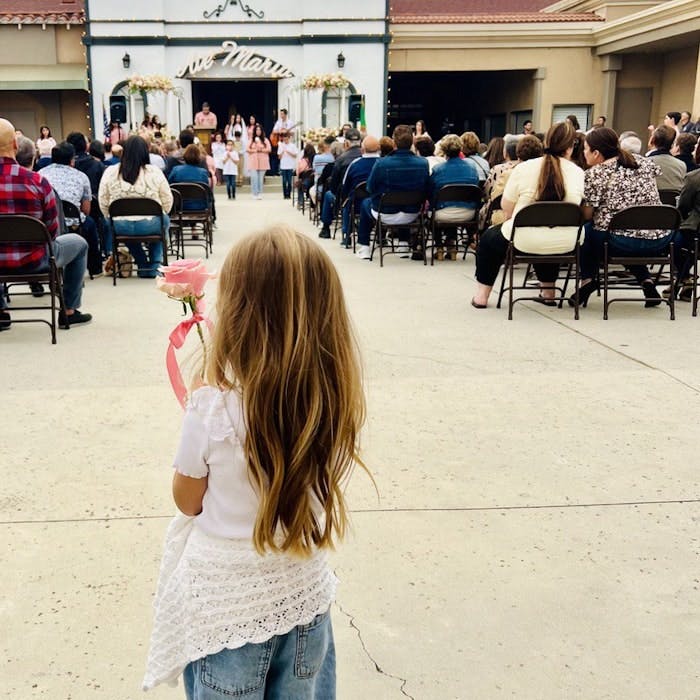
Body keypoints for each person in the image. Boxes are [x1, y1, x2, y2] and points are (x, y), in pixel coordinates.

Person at [143, 225, 367, 697]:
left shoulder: (212, 406)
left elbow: (187, 502)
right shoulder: (332, 399)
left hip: (229, 604)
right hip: (302, 589)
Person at [472, 121, 585, 308]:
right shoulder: (578, 173)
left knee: (488, 241)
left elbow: (506, 206)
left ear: (545, 142)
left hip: (523, 238)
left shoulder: (523, 168)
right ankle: (549, 292)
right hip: (567, 241)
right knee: (549, 234)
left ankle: (482, 297)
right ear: (571, 146)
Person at [0, 118, 91, 328]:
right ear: (15, 144)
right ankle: (68, 309)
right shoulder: (37, 182)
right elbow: (52, 230)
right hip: (35, 260)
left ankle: (2, 311)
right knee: (78, 242)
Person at [574, 126, 678, 307]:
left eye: (585, 149)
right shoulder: (645, 162)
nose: (583, 153)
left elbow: (588, 215)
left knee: (586, 232)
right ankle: (646, 281)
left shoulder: (594, 174)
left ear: (596, 153)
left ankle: (587, 279)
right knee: (632, 230)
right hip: (658, 238)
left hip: (617, 241)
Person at [98, 134, 172, 278]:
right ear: (145, 152)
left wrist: (111, 217)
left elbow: (103, 201)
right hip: (151, 224)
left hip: (120, 226)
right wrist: (162, 213)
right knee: (164, 220)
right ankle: (156, 264)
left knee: (120, 224)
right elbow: (167, 200)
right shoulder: (154, 172)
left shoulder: (110, 172)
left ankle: (142, 262)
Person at [355, 124, 430, 261]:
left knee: (366, 203)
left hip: (385, 213)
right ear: (412, 141)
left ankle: (364, 247)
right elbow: (426, 188)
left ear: (394, 142)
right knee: (405, 197)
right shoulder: (423, 163)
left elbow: (370, 188)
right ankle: (403, 244)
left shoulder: (381, 163)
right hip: (412, 214)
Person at [39, 141, 102, 277]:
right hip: (73, 224)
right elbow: (86, 210)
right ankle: (95, 268)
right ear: (72, 160)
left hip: (47, 225)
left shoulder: (40, 175)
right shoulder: (81, 177)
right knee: (90, 224)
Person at [429, 134, 480, 260]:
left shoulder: (438, 169)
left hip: (443, 211)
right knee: (453, 204)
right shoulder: (472, 168)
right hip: (469, 213)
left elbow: (431, 193)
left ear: (444, 150)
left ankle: (439, 246)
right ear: (460, 149)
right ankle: (451, 246)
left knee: (433, 214)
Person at [318, 129, 363, 238]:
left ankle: (326, 228)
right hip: (369, 198)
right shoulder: (369, 157)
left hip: (346, 198)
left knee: (329, 194)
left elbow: (334, 185)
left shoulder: (341, 159)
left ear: (346, 143)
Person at [338, 135, 381, 245]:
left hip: (357, 204)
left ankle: (346, 236)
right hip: (381, 203)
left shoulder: (355, 164)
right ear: (378, 149)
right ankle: (381, 237)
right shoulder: (383, 163)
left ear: (363, 149)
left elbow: (345, 186)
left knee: (347, 203)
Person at [647, 125, 686, 191]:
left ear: (653, 140)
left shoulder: (645, 163)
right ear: (673, 144)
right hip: (673, 201)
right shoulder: (681, 165)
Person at [247, 124, 271, 199]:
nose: (258, 131)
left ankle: (260, 193)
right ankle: (254, 193)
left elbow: (269, 149)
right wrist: (255, 150)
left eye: (259, 130)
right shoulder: (251, 140)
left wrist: (262, 150)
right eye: (257, 130)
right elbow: (247, 149)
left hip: (263, 160)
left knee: (260, 179)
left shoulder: (265, 140)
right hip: (253, 160)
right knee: (254, 178)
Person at [271, 108, 294, 175]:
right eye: (280, 114)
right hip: (280, 141)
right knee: (279, 155)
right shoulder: (278, 122)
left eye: (282, 114)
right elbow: (274, 131)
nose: (281, 115)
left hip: (287, 141)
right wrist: (280, 131)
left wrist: (287, 131)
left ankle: (287, 170)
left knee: (287, 155)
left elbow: (293, 133)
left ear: (286, 114)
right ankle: (277, 170)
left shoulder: (290, 122)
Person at [277, 131, 299, 199]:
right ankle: (284, 194)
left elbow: (295, 155)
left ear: (289, 138)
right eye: (284, 139)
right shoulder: (281, 145)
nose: (285, 141)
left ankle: (288, 194)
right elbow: (279, 157)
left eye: (286, 139)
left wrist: (289, 152)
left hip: (290, 166)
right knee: (284, 181)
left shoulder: (292, 145)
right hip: (283, 166)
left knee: (289, 181)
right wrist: (282, 152)